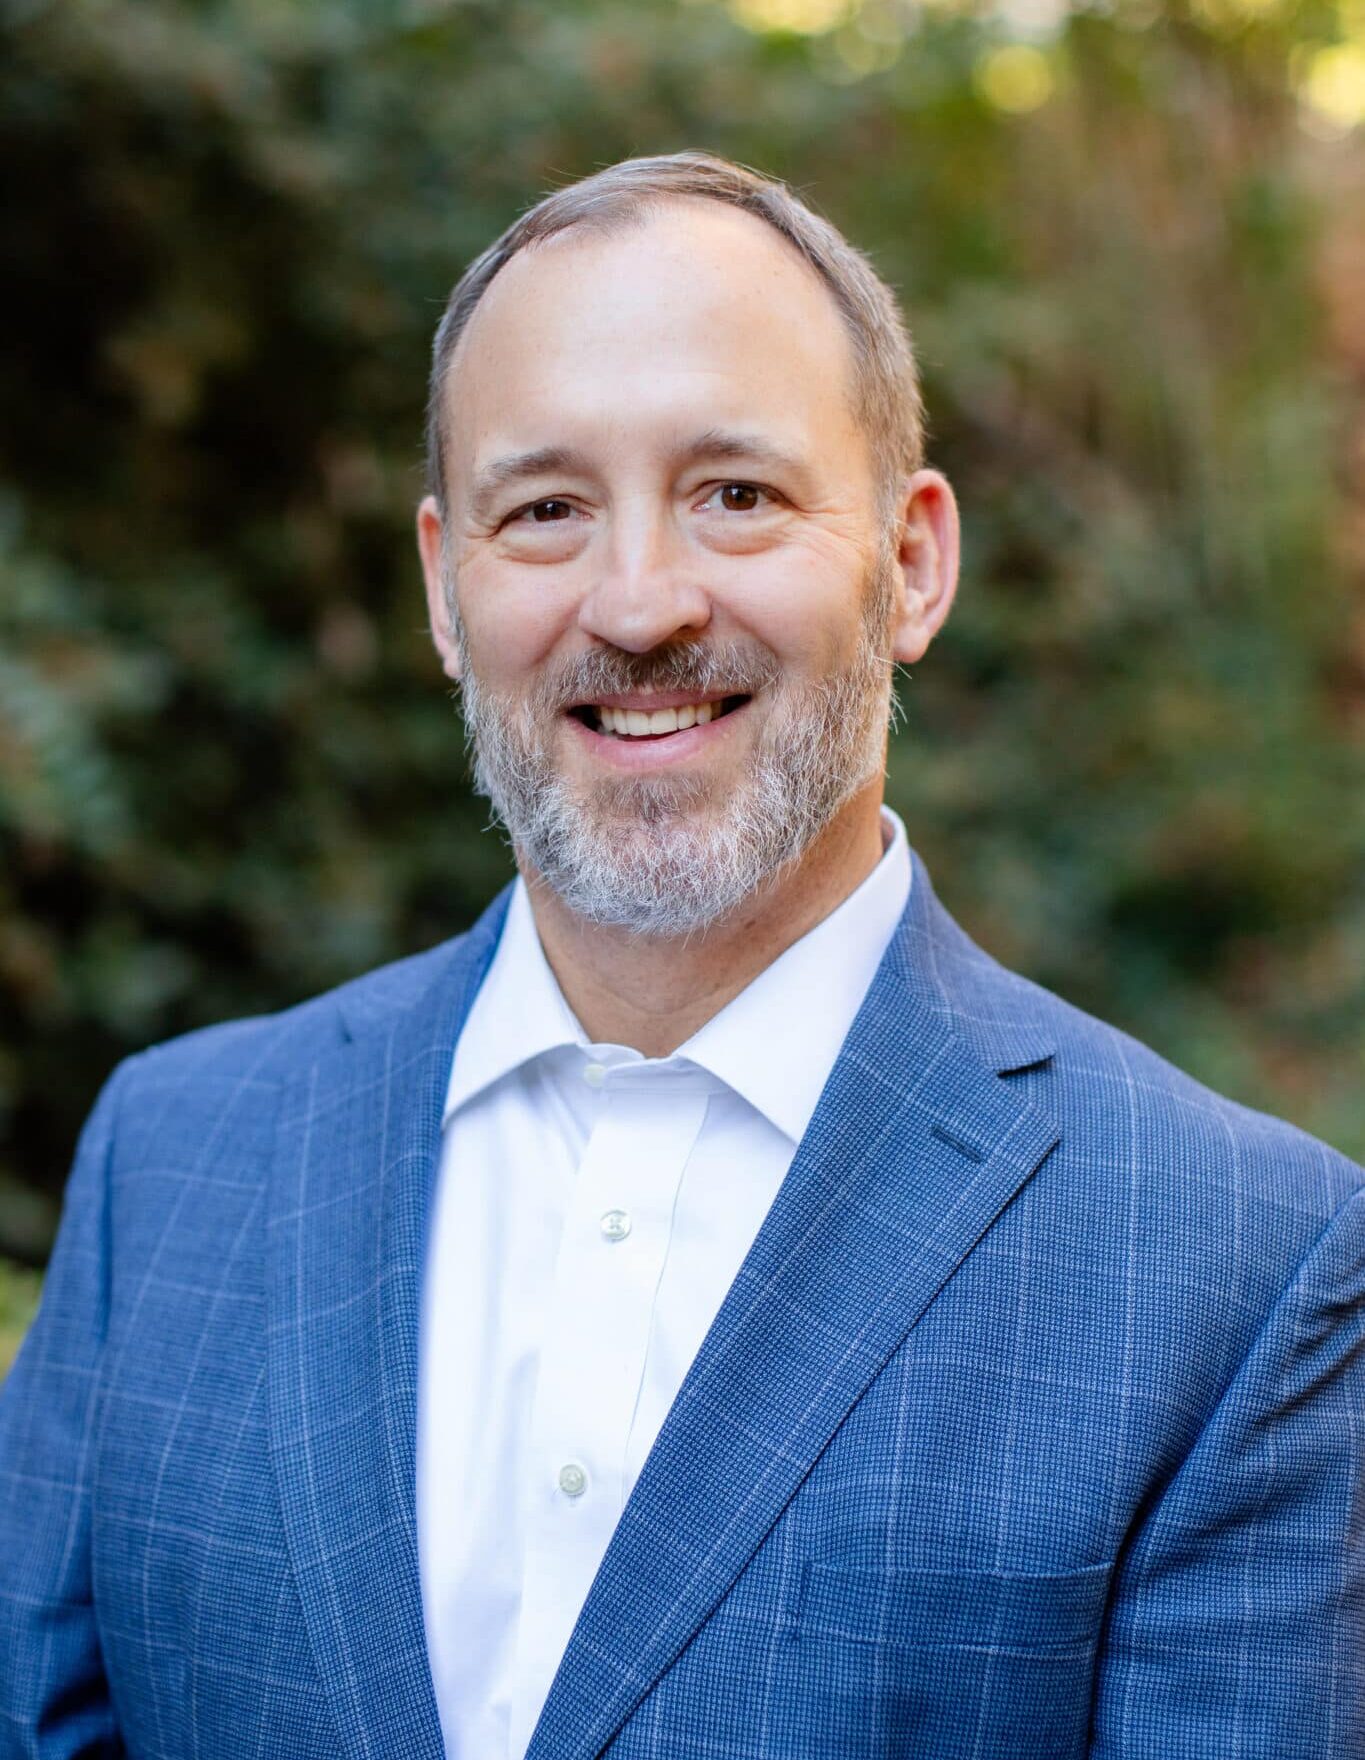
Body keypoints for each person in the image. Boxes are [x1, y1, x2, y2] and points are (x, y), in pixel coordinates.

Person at [1, 151, 1361, 1760]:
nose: (637, 604)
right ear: (444, 586)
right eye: (547, 510)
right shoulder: (174, 1159)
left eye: (736, 493)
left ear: (912, 562)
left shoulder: (1235, 1271)